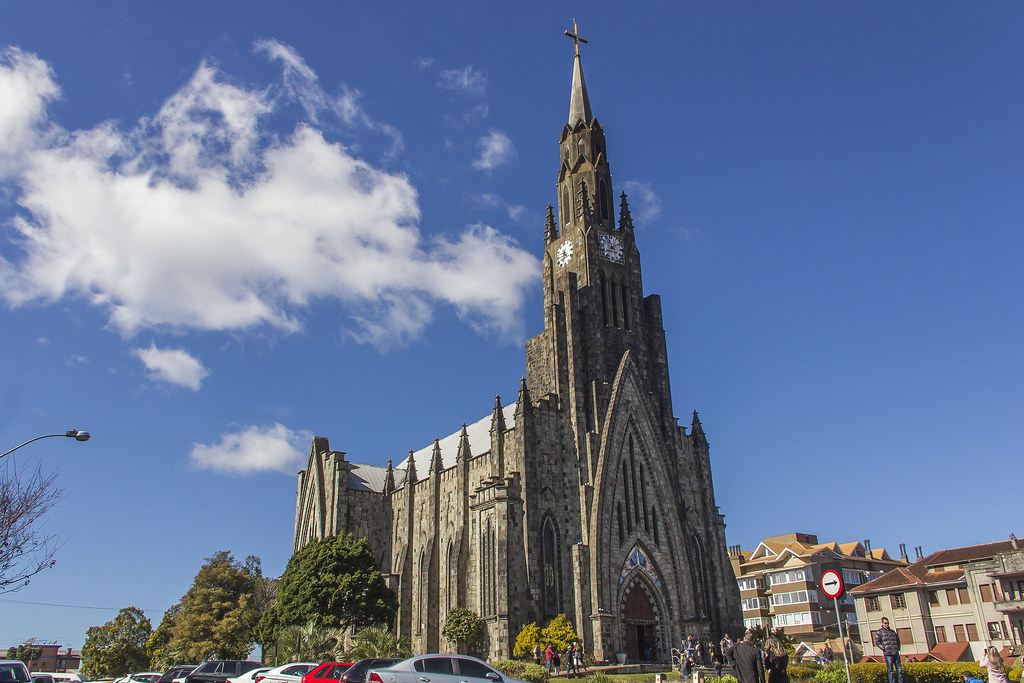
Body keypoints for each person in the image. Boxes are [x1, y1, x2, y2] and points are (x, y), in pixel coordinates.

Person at [874, 618, 903, 683]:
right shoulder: (879, 632)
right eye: (885, 623)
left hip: (895, 653)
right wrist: (884, 648)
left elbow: (898, 641)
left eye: (887, 623)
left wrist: (898, 648)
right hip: (888, 654)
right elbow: (877, 642)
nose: (887, 624)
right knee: (890, 671)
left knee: (899, 670)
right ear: (882, 624)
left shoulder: (892, 632)